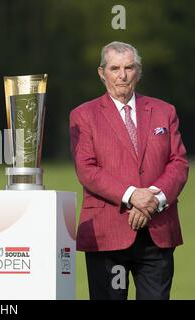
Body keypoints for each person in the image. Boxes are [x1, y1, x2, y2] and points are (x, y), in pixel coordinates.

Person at [69, 41, 189, 300]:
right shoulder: (83, 115)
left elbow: (178, 163)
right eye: (114, 68)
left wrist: (153, 201)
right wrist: (133, 195)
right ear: (102, 73)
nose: (122, 75)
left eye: (129, 67)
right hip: (107, 235)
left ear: (139, 71)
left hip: (157, 234)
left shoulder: (164, 111)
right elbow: (87, 169)